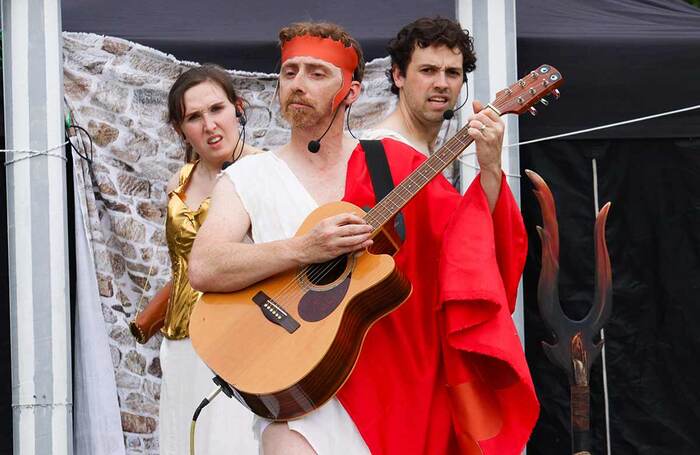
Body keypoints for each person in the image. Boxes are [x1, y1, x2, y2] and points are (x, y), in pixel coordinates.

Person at [189, 23, 538, 455]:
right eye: (290, 72)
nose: (298, 84)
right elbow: (204, 267)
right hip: (297, 384)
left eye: (317, 74)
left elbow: (468, 251)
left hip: (394, 385)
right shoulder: (248, 177)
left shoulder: (394, 161)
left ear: (351, 92)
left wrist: (488, 171)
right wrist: (303, 249)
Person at [159, 63, 259, 455]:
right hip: (181, 343)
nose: (209, 125)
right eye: (194, 117)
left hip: (240, 337)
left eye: (217, 109)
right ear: (180, 129)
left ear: (238, 108)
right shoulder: (178, 183)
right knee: (183, 442)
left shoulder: (265, 172)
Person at [364, 16, 475, 157]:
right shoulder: (382, 149)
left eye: (452, 72)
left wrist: (491, 165)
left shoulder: (424, 145)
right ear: (398, 75)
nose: (442, 84)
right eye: (428, 70)